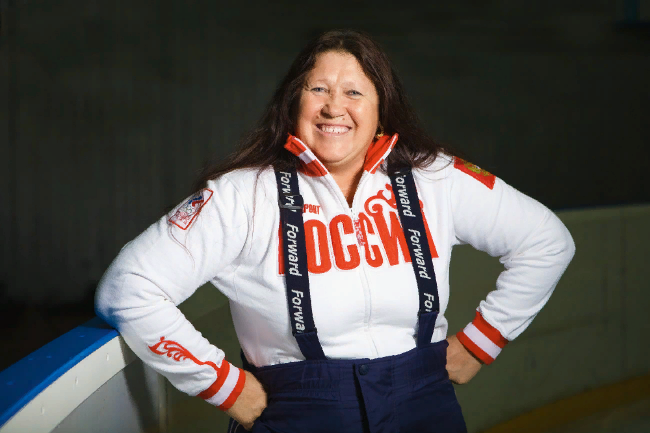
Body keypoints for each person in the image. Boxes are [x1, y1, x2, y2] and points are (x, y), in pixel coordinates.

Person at [95, 30, 575, 433]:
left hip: (425, 405)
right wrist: (222, 384)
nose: (333, 108)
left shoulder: (435, 177)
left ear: (381, 108)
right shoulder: (242, 194)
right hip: (296, 411)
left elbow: (547, 242)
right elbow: (128, 288)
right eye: (318, 89)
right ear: (293, 102)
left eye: (354, 92)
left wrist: (480, 341)